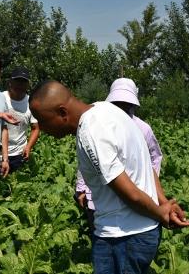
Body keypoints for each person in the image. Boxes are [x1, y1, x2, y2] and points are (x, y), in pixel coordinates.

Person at [29, 80, 189, 274]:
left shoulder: (91, 131)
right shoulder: (108, 111)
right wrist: (163, 203)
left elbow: (129, 192)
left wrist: (161, 213)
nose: (42, 128)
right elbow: (145, 163)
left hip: (122, 237)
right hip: (140, 232)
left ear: (62, 112)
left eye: (42, 120)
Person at [75, 78, 163, 231]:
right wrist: (82, 188)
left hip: (136, 193)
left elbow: (154, 158)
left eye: (126, 103)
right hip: (100, 196)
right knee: (100, 234)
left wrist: (150, 186)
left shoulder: (143, 128)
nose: (122, 107)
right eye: (117, 103)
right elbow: (88, 158)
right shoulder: (97, 123)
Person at [2, 66, 40, 172]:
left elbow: (35, 128)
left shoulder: (31, 103)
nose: (20, 85)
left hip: (19, 154)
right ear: (10, 82)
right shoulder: (0, 98)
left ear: (27, 85)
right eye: (17, 81)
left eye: (23, 82)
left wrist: (28, 147)